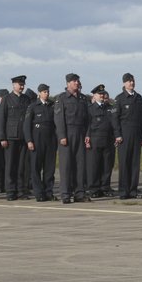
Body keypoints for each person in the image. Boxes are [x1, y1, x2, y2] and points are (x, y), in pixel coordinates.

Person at [0, 74, 32, 201]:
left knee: (21, 166)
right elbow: (1, 118)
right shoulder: (7, 99)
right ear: (13, 85)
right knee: (10, 165)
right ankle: (11, 191)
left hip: (23, 136)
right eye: (19, 84)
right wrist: (2, 137)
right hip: (10, 137)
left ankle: (21, 190)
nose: (22, 86)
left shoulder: (26, 99)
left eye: (23, 85)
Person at [112, 73, 142, 199]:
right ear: (124, 83)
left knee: (134, 164)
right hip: (124, 135)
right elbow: (115, 119)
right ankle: (123, 191)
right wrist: (118, 135)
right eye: (128, 81)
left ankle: (133, 190)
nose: (131, 83)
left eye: (132, 81)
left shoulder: (138, 98)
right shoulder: (119, 98)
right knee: (124, 163)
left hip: (136, 134)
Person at [55, 72, 89, 204]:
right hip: (67, 134)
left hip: (80, 133)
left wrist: (87, 134)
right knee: (66, 166)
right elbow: (58, 119)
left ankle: (80, 193)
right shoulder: (61, 98)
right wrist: (62, 135)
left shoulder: (83, 98)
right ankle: (65, 194)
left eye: (77, 81)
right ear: (68, 83)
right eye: (74, 81)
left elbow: (87, 119)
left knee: (80, 165)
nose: (77, 83)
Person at [23, 83, 57, 201]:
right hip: (37, 140)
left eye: (47, 92)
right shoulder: (33, 107)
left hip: (50, 140)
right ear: (39, 93)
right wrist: (29, 141)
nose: (46, 94)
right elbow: (27, 126)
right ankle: (39, 193)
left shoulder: (52, 106)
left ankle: (48, 191)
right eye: (44, 92)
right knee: (36, 168)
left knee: (49, 168)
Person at [85, 84, 115, 199]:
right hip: (95, 140)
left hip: (108, 140)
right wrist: (87, 137)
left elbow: (114, 124)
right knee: (94, 165)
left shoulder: (110, 108)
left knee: (107, 165)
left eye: (103, 94)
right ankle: (94, 188)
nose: (102, 96)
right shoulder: (90, 109)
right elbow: (87, 125)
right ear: (95, 95)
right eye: (100, 94)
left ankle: (105, 187)